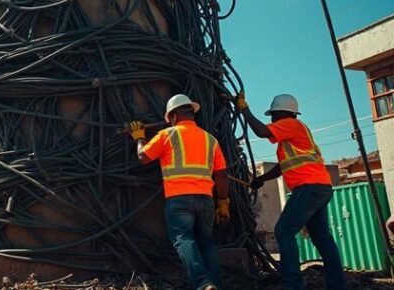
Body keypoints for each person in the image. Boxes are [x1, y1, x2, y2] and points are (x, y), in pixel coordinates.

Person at [236, 92, 344, 290]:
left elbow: (261, 131)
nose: (272, 120)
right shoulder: (294, 133)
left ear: (282, 113)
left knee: (283, 231)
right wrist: (261, 179)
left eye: (273, 116)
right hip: (321, 187)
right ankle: (337, 284)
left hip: (308, 188)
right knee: (322, 237)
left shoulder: (291, 124)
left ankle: (292, 284)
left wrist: (244, 109)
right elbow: (282, 166)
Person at [128, 94, 230, 290]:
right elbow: (222, 175)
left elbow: (143, 157)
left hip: (179, 199)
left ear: (173, 116)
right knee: (207, 243)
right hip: (206, 200)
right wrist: (223, 202)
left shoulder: (168, 135)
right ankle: (215, 284)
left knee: (183, 240)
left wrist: (139, 138)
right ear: (192, 113)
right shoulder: (211, 140)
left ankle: (203, 284)